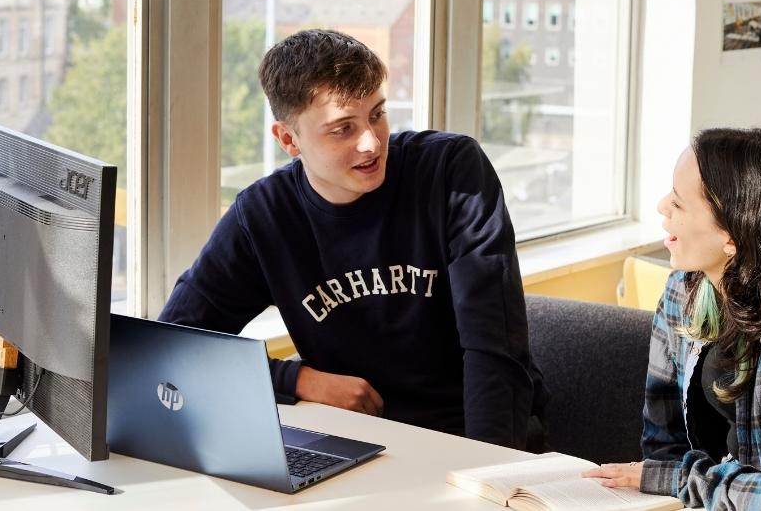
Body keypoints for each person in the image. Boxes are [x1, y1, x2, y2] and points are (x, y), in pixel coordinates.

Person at [159, 28, 546, 450]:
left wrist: (486, 467)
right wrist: (298, 379)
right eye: (343, 128)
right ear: (289, 139)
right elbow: (172, 345)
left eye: (377, 114)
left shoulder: (450, 172)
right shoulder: (264, 215)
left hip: (467, 435)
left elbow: (495, 349)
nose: (371, 143)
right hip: (352, 440)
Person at [583, 127, 761, 508]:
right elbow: (662, 447)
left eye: (678, 203)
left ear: (732, 236)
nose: (661, 206)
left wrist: (685, 482)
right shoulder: (681, 292)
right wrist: (673, 488)